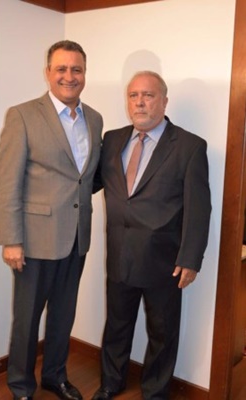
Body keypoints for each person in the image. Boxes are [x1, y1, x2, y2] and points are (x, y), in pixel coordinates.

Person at [92, 71, 211, 400]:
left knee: (162, 332)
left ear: (164, 101)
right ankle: (110, 383)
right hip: (120, 254)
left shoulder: (189, 146)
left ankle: (156, 392)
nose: (140, 102)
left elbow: (199, 208)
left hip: (165, 261)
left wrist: (190, 259)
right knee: (116, 325)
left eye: (148, 95)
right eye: (133, 95)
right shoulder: (112, 140)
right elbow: (92, 182)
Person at [0, 40, 103, 400]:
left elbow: (85, 178)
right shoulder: (23, 115)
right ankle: (20, 386)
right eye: (61, 69)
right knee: (26, 320)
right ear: (48, 73)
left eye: (76, 69)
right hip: (34, 239)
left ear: (84, 74)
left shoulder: (95, 118)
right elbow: (8, 182)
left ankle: (55, 376)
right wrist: (12, 239)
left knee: (63, 315)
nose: (69, 76)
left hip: (77, 236)